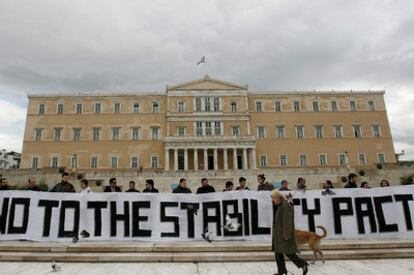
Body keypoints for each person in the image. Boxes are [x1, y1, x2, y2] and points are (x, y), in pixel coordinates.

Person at [271, 190, 309, 275]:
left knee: (289, 252)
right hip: (278, 235)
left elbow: (287, 222)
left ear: (278, 198)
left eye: (273, 199)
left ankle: (303, 264)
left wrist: (286, 235)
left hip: (284, 235)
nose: (273, 201)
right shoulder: (280, 206)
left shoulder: (286, 206)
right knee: (278, 252)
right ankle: (281, 271)